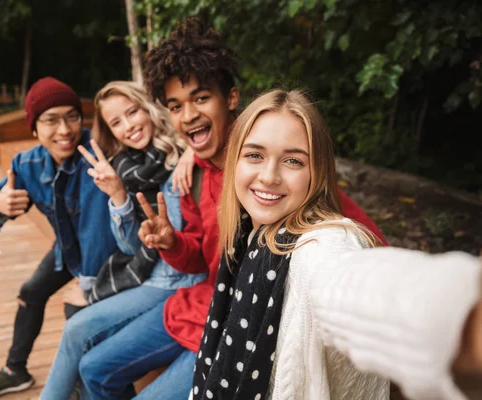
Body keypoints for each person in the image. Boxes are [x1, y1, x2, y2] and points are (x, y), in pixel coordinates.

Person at [75, 18, 386, 400]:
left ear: (232, 100)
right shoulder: (195, 176)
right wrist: (171, 242)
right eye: (176, 105)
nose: (188, 115)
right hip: (199, 305)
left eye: (201, 98)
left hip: (243, 325)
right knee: (93, 367)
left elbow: (361, 249)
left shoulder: (284, 184)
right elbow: (201, 260)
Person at [190, 88, 482, 400]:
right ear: (234, 160)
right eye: (254, 155)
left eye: (293, 160)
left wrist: (461, 317)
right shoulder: (246, 233)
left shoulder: (321, 244)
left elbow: (351, 282)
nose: (269, 176)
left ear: (316, 172)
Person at [40, 81, 205, 399]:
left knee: (81, 333)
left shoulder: (186, 148)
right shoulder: (128, 168)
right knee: (81, 335)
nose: (128, 126)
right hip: (153, 276)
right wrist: (117, 195)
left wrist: (192, 153)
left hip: (182, 280)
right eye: (116, 122)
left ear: (149, 108)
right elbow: (132, 247)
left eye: (133, 112)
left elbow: (219, 133)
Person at [0, 77, 117, 400]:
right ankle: (14, 371)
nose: (64, 130)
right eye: (51, 120)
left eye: (72, 116)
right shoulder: (28, 164)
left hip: (110, 260)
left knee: (76, 312)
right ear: (34, 129)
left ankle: (82, 384)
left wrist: (88, 283)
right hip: (68, 251)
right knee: (31, 292)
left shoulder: (101, 151)